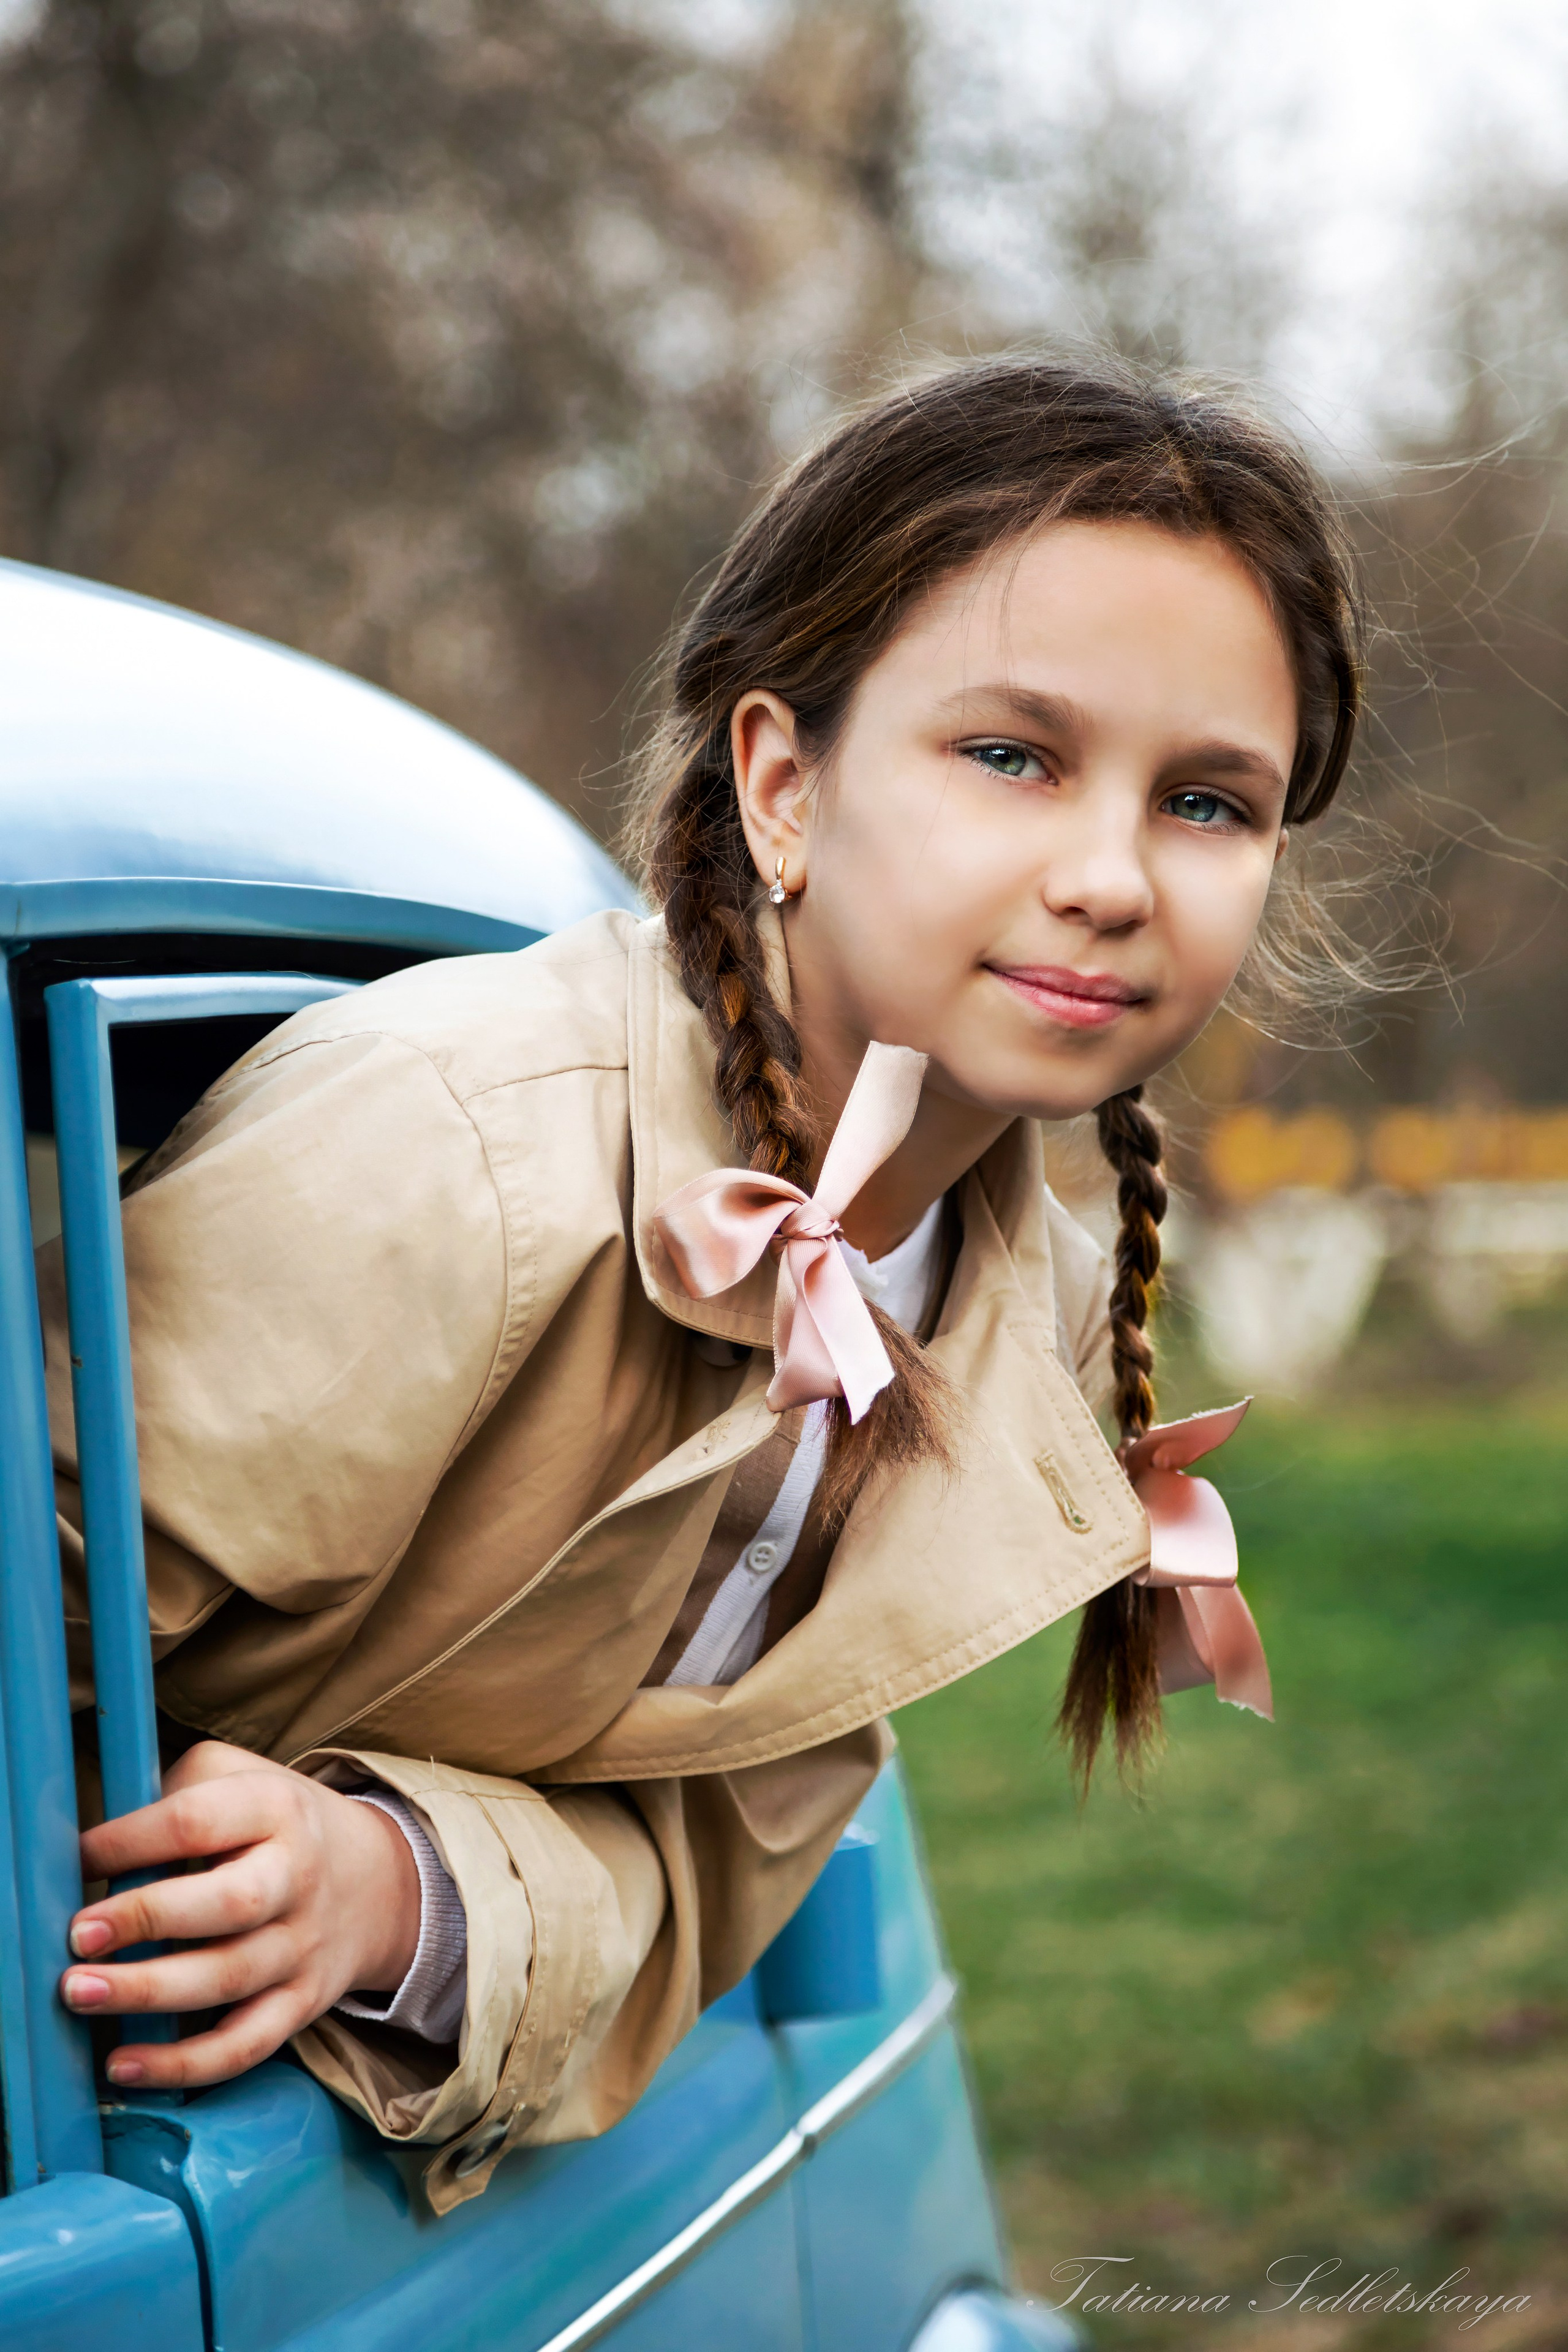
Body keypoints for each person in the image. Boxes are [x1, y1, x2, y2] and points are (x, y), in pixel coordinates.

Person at [47, 355, 1363, 2212]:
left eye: (1209, 802)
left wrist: (393, 1888)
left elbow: (719, 1854)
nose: (1110, 875)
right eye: (1013, 755)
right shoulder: (461, 1153)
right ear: (782, 786)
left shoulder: (1026, 1336)